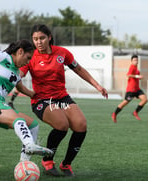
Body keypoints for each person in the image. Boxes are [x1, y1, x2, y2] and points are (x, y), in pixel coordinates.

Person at [18, 24, 108, 177]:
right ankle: (48, 161)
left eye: (42, 38)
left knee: (81, 125)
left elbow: (78, 69)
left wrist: (97, 86)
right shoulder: (30, 56)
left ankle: (66, 164)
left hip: (61, 97)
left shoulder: (62, 53)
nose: (38, 42)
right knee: (62, 124)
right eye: (35, 39)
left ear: (49, 37)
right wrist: (27, 92)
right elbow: (18, 76)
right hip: (41, 101)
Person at [111, 54, 148, 123]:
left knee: (145, 99)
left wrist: (139, 77)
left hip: (137, 89)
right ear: (131, 61)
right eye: (134, 60)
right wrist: (137, 76)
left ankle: (135, 112)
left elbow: (135, 77)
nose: (136, 61)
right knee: (124, 103)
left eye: (137, 60)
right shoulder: (132, 67)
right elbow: (128, 75)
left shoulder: (137, 69)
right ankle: (114, 114)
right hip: (131, 90)